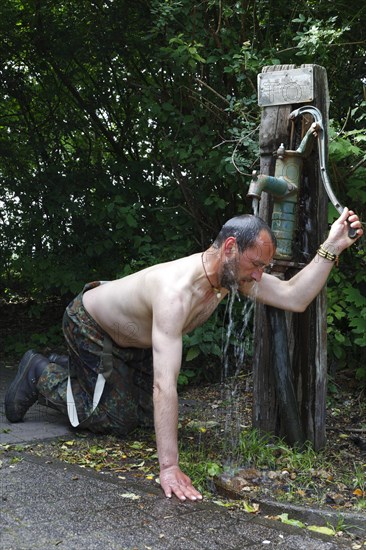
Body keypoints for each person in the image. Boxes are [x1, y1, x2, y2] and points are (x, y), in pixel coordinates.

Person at [5, 208, 363, 501]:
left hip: (135, 338)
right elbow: (165, 386)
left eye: (263, 268)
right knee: (111, 420)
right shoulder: (175, 293)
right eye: (256, 264)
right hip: (91, 323)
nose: (259, 275)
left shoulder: (231, 276)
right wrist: (168, 468)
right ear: (230, 248)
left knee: (144, 418)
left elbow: (293, 298)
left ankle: (83, 372)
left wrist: (332, 246)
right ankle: (38, 372)